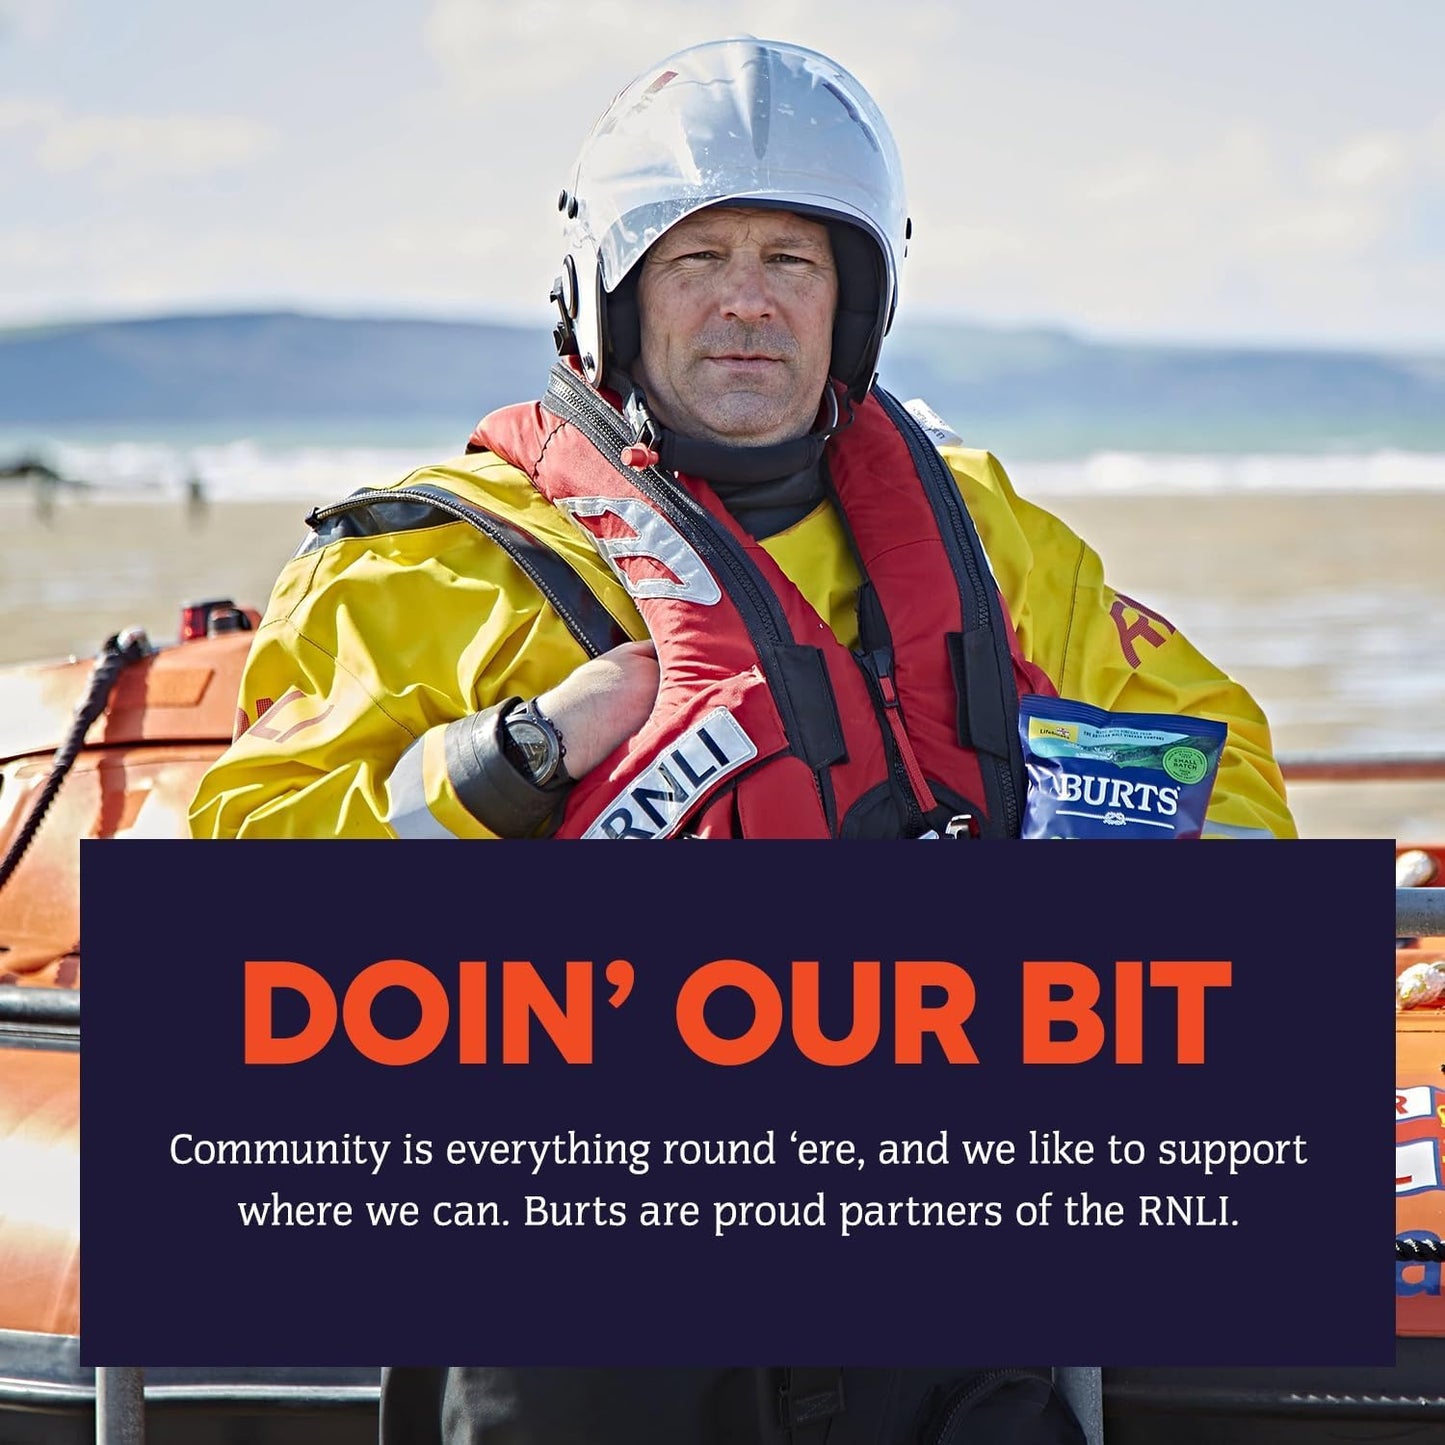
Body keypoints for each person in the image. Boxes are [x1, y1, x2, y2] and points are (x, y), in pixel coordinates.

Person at [188, 37, 1294, 846]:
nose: (748, 301)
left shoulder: (983, 534)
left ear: (850, 307)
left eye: (790, 261)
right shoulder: (428, 568)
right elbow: (248, 846)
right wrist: (523, 753)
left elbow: (1217, 752)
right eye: (697, 258)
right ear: (610, 299)